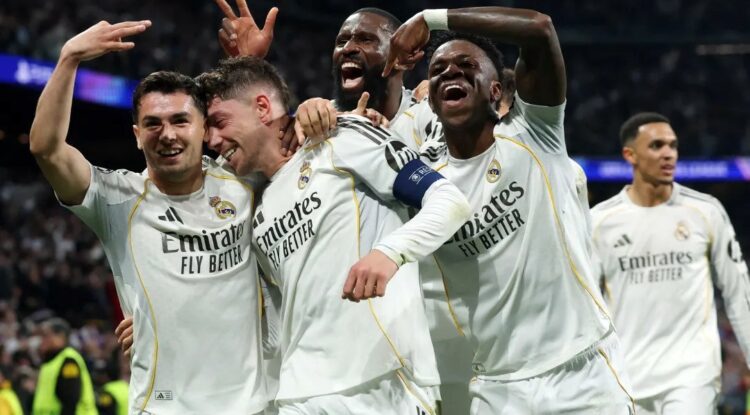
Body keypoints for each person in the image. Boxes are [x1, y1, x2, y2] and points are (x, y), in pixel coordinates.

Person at [341, 6, 636, 414]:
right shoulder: (421, 178)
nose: (451, 72)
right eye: (439, 69)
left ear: (496, 92)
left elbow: (539, 29)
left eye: (467, 66)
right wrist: (313, 114)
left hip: (582, 375)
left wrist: (431, 19)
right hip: (495, 388)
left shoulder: (535, 133)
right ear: (430, 99)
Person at [199, 55, 471, 414]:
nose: (212, 140)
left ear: (262, 107)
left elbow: (449, 201)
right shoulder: (253, 206)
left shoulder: (340, 137)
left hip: (384, 380)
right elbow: (275, 327)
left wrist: (390, 253)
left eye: (219, 123)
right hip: (300, 391)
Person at [29, 21, 269, 414]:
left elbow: (284, 137)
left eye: (180, 121)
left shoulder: (245, 182)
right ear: (137, 134)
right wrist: (69, 58)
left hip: (251, 406)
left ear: (204, 128)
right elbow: (47, 149)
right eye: (153, 124)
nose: (167, 134)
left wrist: (251, 71)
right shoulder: (116, 199)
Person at [590, 112, 750, 415]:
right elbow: (584, 302)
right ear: (630, 155)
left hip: (692, 375)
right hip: (626, 376)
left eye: (673, 145)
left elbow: (738, 293)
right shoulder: (599, 222)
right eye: (657, 146)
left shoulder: (705, 212)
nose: (669, 153)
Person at [31, 318, 96, 415]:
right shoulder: (50, 362)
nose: (42, 340)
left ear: (61, 337)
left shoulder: (68, 360)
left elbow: (70, 400)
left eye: (46, 335)